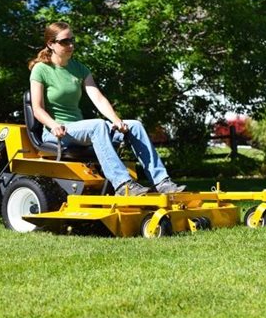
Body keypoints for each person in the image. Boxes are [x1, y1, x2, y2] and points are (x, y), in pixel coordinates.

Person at [28, 21, 185, 196]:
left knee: (134, 126)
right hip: (57, 132)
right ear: (51, 44)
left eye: (72, 40)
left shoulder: (79, 68)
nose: (71, 45)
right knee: (98, 125)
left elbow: (98, 98)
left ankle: (161, 181)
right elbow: (37, 109)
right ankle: (123, 185)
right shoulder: (41, 70)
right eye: (65, 41)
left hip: (80, 130)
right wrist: (53, 125)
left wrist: (117, 121)